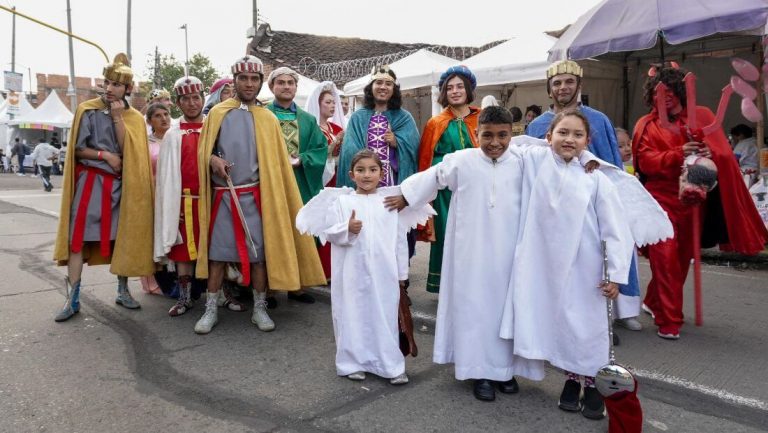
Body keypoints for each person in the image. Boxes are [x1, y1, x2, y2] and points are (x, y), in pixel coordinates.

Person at [501, 110, 653, 420]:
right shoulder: (536, 162)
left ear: (588, 140)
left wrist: (615, 275)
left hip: (588, 267)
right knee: (563, 326)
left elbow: (616, 230)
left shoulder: (596, 179)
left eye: (577, 135)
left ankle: (595, 384)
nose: (569, 139)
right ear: (548, 138)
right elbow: (511, 144)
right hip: (546, 265)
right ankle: (572, 380)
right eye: (563, 133)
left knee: (589, 328)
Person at [388, 106, 545, 402]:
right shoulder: (462, 160)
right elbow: (433, 177)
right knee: (476, 310)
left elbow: (560, 151)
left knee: (506, 311)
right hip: (470, 253)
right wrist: (406, 196)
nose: (495, 142)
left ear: (512, 134)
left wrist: (588, 164)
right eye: (487, 135)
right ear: (476, 133)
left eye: (502, 135)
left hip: (509, 253)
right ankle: (480, 371)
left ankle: (506, 370)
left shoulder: (524, 161)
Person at [193, 55, 326, 334]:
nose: (249, 84)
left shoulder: (267, 118)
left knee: (259, 256)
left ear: (261, 82)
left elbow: (276, 165)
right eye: (244, 78)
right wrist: (212, 161)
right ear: (235, 80)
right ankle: (211, 309)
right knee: (217, 255)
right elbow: (204, 152)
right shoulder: (217, 113)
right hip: (224, 196)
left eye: (255, 79)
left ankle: (260, 308)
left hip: (255, 196)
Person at [633, 65, 768, 339]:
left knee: (680, 260)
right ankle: (670, 320)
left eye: (671, 90)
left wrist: (708, 155)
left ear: (682, 91)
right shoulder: (646, 125)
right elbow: (645, 161)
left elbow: (725, 159)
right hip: (658, 200)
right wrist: (676, 153)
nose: (666, 96)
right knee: (665, 255)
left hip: (694, 201)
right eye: (661, 92)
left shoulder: (701, 117)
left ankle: (653, 301)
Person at [296, 150, 433, 385]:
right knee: (352, 314)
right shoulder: (342, 201)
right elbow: (329, 233)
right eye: (361, 170)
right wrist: (346, 228)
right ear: (351, 175)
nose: (367, 175)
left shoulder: (390, 202)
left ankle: (390, 365)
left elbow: (399, 239)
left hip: (384, 272)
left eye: (372, 170)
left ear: (382, 173)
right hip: (351, 272)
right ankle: (352, 362)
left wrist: (401, 275)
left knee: (385, 316)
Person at [526, 60, 641, 323]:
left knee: (594, 260)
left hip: (590, 201)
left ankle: (612, 313)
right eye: (557, 83)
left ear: (579, 85)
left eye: (569, 82)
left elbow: (611, 163)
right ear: (549, 88)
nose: (563, 87)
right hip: (552, 203)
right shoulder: (538, 125)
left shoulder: (598, 120)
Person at [53, 53, 155, 322]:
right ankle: (72, 297)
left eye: (116, 85)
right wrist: (105, 156)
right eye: (107, 83)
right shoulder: (87, 109)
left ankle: (123, 290)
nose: (109, 88)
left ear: (127, 89)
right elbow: (78, 149)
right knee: (77, 240)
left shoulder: (132, 117)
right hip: (90, 184)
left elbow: (128, 151)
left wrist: (118, 117)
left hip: (122, 187)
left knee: (123, 238)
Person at [266, 67, 328, 303]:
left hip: (300, 183)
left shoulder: (307, 119)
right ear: (272, 87)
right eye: (280, 82)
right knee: (273, 232)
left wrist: (302, 159)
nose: (286, 86)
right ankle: (270, 287)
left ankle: (297, 286)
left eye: (290, 82)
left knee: (299, 229)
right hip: (271, 183)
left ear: (295, 87)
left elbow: (320, 150)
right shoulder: (262, 115)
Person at [416, 65, 480, 293]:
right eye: (449, 87)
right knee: (446, 237)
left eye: (459, 86)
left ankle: (474, 285)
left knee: (476, 237)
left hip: (476, 191)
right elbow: (425, 161)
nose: (455, 91)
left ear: (468, 89)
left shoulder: (481, 118)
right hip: (445, 194)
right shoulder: (435, 123)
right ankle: (447, 287)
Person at [154, 75, 212, 316]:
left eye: (196, 98)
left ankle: (219, 294)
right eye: (186, 99)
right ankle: (185, 297)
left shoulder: (213, 126)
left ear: (202, 99)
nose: (192, 103)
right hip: (184, 202)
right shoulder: (172, 134)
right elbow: (166, 175)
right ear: (178, 103)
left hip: (212, 199)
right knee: (184, 252)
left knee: (217, 249)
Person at [337, 65, 419, 189]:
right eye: (379, 83)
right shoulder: (357, 117)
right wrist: (366, 165)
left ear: (394, 89)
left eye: (388, 84)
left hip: (392, 180)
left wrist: (397, 142)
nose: (383, 87)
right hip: (364, 178)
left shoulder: (404, 118)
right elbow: (349, 151)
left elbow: (414, 150)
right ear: (371, 87)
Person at [305, 81, 347, 280]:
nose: (332, 106)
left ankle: (334, 269)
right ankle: (319, 270)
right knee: (321, 224)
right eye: (328, 102)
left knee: (336, 224)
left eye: (333, 103)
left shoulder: (337, 127)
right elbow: (311, 155)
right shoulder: (312, 129)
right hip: (320, 183)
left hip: (337, 181)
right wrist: (332, 149)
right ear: (318, 104)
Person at [145, 102, 172, 175]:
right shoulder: (145, 143)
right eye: (158, 116)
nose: (164, 118)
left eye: (166, 114)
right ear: (149, 121)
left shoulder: (180, 138)